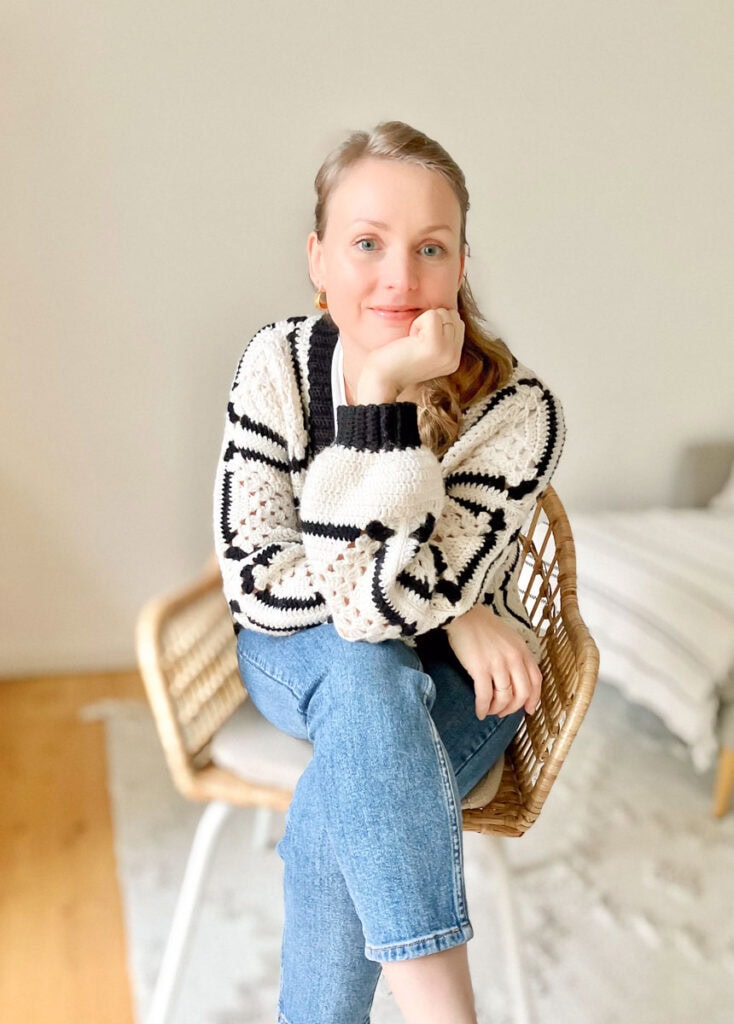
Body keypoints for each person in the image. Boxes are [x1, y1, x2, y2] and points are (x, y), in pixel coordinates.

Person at [213, 120, 565, 1024]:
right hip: (295, 650)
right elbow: (258, 579)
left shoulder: (516, 412)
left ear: (460, 263)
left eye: (430, 248)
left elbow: (379, 599)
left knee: (347, 795)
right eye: (367, 243)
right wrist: (453, 611)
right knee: (367, 670)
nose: (401, 278)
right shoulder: (279, 366)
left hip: (461, 686)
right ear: (318, 256)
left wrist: (377, 410)